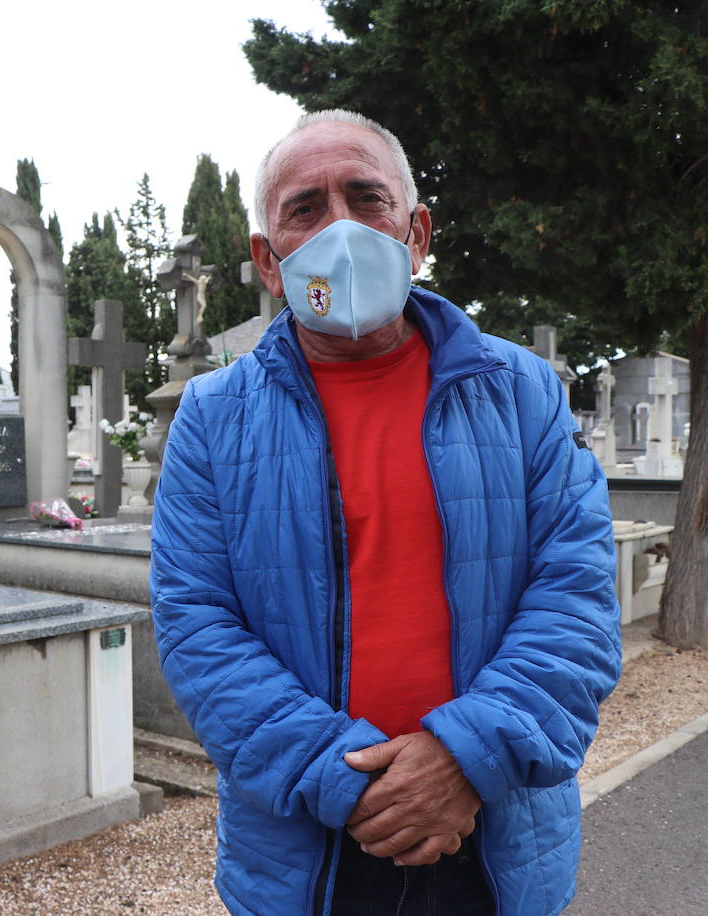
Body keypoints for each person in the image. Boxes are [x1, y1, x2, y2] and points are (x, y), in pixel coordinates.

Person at [149, 109, 621, 916]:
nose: (339, 226)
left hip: (493, 838)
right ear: (270, 260)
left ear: (416, 232)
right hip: (306, 856)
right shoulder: (212, 414)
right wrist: (345, 780)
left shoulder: (523, 393)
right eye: (305, 207)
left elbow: (575, 597)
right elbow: (197, 623)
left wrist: (462, 759)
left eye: (366, 198)